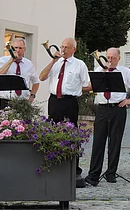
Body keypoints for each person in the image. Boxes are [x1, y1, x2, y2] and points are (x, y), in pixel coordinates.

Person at [85, 48, 130, 186]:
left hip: (117, 108)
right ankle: (93, 175)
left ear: (119, 58)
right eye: (108, 57)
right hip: (102, 108)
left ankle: (111, 173)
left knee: (115, 142)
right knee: (98, 142)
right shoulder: (98, 70)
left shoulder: (124, 72)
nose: (110, 60)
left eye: (113, 57)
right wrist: (102, 71)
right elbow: (90, 86)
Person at [39, 37, 90, 188]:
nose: (63, 50)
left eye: (67, 47)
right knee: (52, 132)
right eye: (62, 47)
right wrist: (53, 61)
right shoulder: (56, 63)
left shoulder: (79, 64)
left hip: (69, 101)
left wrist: (75, 88)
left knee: (71, 134)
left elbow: (87, 84)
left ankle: (73, 168)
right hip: (54, 100)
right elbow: (42, 77)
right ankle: (53, 164)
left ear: (74, 49)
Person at [0, 38, 40, 110]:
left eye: (20, 48)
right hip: (6, 101)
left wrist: (32, 96)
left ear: (24, 49)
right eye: (15, 48)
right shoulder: (3, 60)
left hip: (23, 101)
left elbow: (36, 81)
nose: (18, 50)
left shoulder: (28, 64)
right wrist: (11, 61)